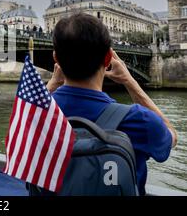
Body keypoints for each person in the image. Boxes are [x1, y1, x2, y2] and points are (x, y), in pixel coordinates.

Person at [43, 13, 177, 195]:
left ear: (56, 59)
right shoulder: (137, 119)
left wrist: (51, 85)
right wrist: (130, 81)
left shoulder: (36, 115)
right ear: (107, 59)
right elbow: (172, 137)